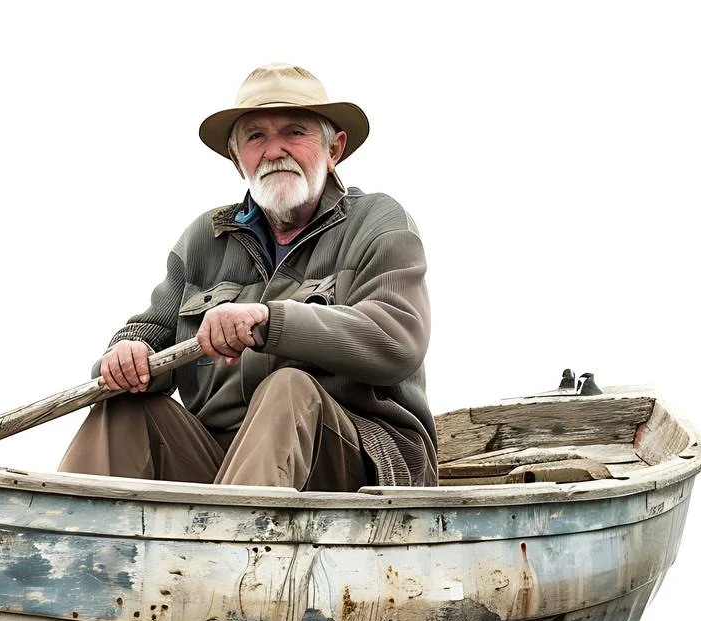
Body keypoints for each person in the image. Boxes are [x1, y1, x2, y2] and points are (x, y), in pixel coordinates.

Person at [59, 63, 436, 491]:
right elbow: (151, 332)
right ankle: (60, 542)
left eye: (295, 132)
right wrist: (126, 353)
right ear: (239, 160)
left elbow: (396, 338)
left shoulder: (378, 220)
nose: (274, 150)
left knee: (289, 389)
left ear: (334, 150)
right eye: (256, 137)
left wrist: (269, 322)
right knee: (122, 405)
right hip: (226, 467)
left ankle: (238, 551)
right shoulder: (204, 238)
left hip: (360, 463)